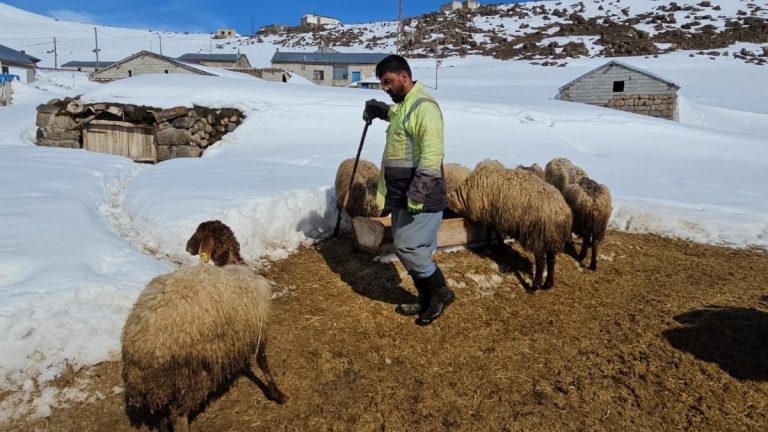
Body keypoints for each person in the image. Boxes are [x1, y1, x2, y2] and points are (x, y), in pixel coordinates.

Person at [363, 54, 454, 326]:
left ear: (404, 76)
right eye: (382, 84)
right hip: (402, 195)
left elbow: (433, 153)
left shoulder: (425, 107)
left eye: (388, 82)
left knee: (408, 247)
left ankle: (441, 294)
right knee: (407, 249)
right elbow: (397, 116)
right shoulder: (406, 105)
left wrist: (419, 191)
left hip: (420, 196)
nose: (385, 88)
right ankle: (426, 299)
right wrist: (379, 110)